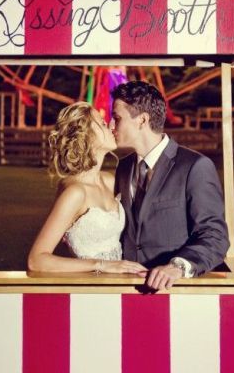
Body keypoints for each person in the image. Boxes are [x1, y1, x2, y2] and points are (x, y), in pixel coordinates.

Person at [111, 81, 230, 290]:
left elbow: (215, 236)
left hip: (175, 292)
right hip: (126, 290)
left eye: (117, 118)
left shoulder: (195, 166)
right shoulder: (124, 166)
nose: (111, 125)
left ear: (142, 120)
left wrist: (177, 267)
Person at [27, 101, 146, 276]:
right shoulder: (75, 193)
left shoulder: (109, 180)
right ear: (87, 136)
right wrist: (102, 265)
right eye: (104, 124)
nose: (112, 126)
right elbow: (36, 260)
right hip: (92, 288)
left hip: (122, 283)